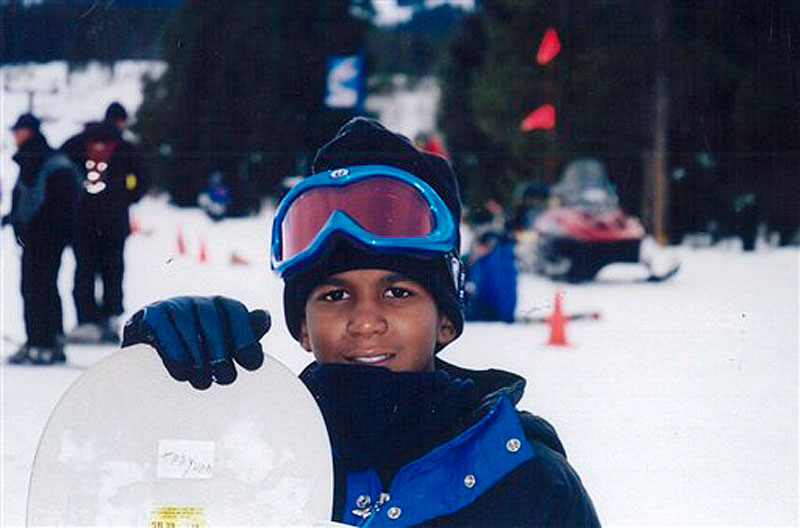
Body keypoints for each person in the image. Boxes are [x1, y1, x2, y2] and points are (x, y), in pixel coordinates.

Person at [122, 118, 600, 526]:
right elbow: (133, 497)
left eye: (398, 292)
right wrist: (161, 400)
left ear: (446, 323)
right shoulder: (249, 449)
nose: (365, 321)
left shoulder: (525, 478)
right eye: (334, 294)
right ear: (304, 329)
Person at [61, 102, 149, 343]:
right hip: (114, 221)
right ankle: (110, 317)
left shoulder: (77, 143)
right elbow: (142, 181)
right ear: (121, 121)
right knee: (112, 270)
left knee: (84, 270)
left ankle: (86, 320)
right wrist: (125, 196)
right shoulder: (126, 147)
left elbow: (59, 169)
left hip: (82, 220)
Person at [2, 113, 79, 365]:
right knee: (44, 286)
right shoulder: (42, 157)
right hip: (44, 237)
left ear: (29, 132)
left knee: (36, 287)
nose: (14, 135)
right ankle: (48, 339)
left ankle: (40, 342)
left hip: (42, 237)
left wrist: (31, 226)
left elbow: (50, 203)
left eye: (18, 130)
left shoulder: (39, 158)